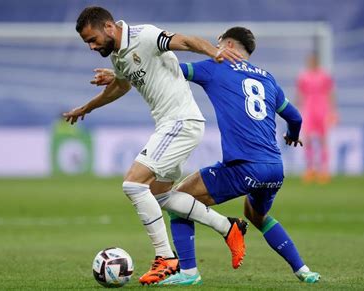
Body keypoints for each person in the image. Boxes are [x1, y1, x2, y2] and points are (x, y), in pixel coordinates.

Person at [93, 27, 321, 285]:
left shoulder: (217, 66)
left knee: (178, 200)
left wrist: (119, 74)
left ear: (230, 44)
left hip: (244, 166)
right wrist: (292, 134)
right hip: (274, 168)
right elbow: (295, 117)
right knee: (257, 216)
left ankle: (189, 271)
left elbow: (168, 73)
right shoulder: (268, 78)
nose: (216, 45)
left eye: (220, 41)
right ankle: (304, 271)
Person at [63, 6, 248, 285]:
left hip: (180, 122)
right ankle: (228, 227)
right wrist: (87, 107)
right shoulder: (117, 54)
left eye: (92, 39)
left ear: (109, 27)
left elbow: (185, 41)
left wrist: (213, 52)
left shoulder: (145, 35)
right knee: (161, 196)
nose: (91, 46)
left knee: (133, 185)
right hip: (172, 125)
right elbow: (121, 87)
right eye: (87, 42)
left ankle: (166, 257)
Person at [296, 53, 338, 184]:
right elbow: (299, 94)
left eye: (313, 60)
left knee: (322, 140)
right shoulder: (303, 76)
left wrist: (333, 111)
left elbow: (331, 93)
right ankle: (310, 169)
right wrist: (297, 112)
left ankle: (324, 170)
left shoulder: (325, 76)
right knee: (307, 139)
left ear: (317, 61)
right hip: (308, 110)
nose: (311, 62)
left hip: (322, 110)